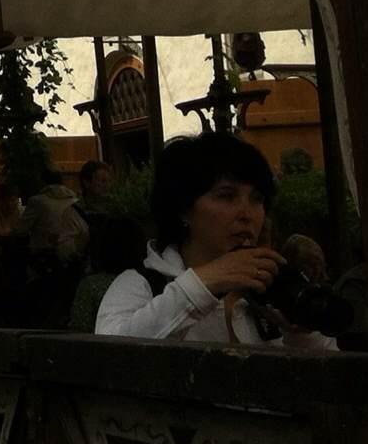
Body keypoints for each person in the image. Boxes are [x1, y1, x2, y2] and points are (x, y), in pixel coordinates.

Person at [96, 133, 336, 350]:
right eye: (226, 196)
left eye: (257, 199)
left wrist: (301, 333)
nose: (246, 213)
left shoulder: (267, 289)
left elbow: (333, 380)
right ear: (183, 208)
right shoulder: (142, 285)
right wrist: (203, 283)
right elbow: (108, 357)